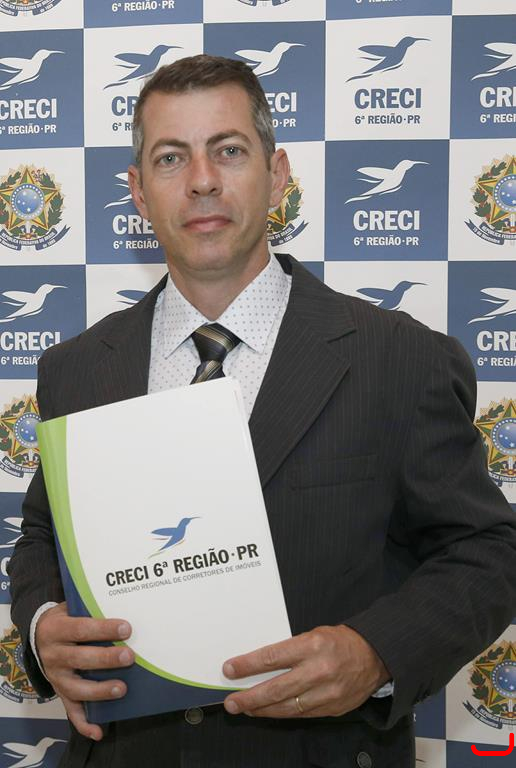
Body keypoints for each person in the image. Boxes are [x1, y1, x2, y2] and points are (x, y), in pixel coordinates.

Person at [8, 54, 516, 768]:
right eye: (170, 158)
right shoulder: (77, 369)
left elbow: (488, 551)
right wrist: (41, 625)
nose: (202, 180)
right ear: (139, 193)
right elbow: (41, 534)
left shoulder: (401, 359)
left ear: (277, 175)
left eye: (229, 150)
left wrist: (376, 652)